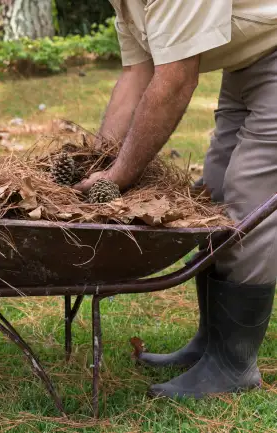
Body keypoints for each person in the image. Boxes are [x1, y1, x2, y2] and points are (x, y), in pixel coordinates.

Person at [75, 1, 277, 399]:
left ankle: (233, 364)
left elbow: (175, 81)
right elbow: (137, 74)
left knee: (247, 200)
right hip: (249, 58)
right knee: (214, 195)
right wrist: (98, 159)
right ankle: (210, 341)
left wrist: (117, 176)